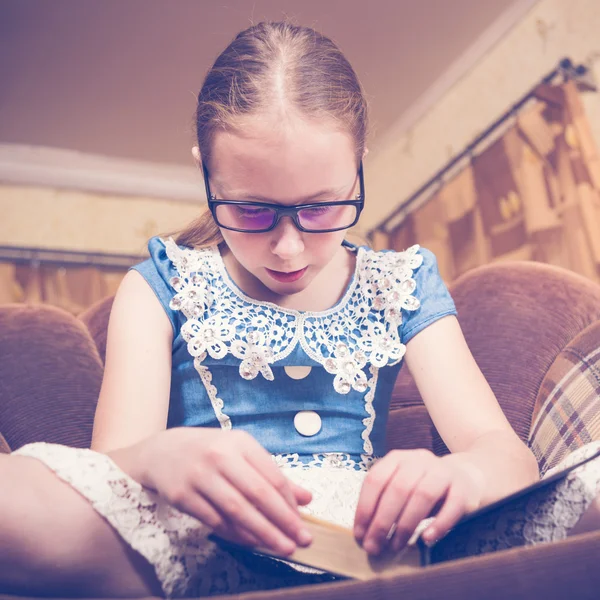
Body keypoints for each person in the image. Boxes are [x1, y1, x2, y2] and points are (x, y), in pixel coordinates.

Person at [3, 20, 600, 599]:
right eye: (252, 211)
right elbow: (107, 479)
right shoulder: (162, 282)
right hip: (197, 539)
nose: (288, 248)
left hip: (377, 545)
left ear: (359, 162)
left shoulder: (401, 283)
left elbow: (504, 454)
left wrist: (463, 478)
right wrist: (160, 457)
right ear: (205, 172)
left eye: (321, 209)